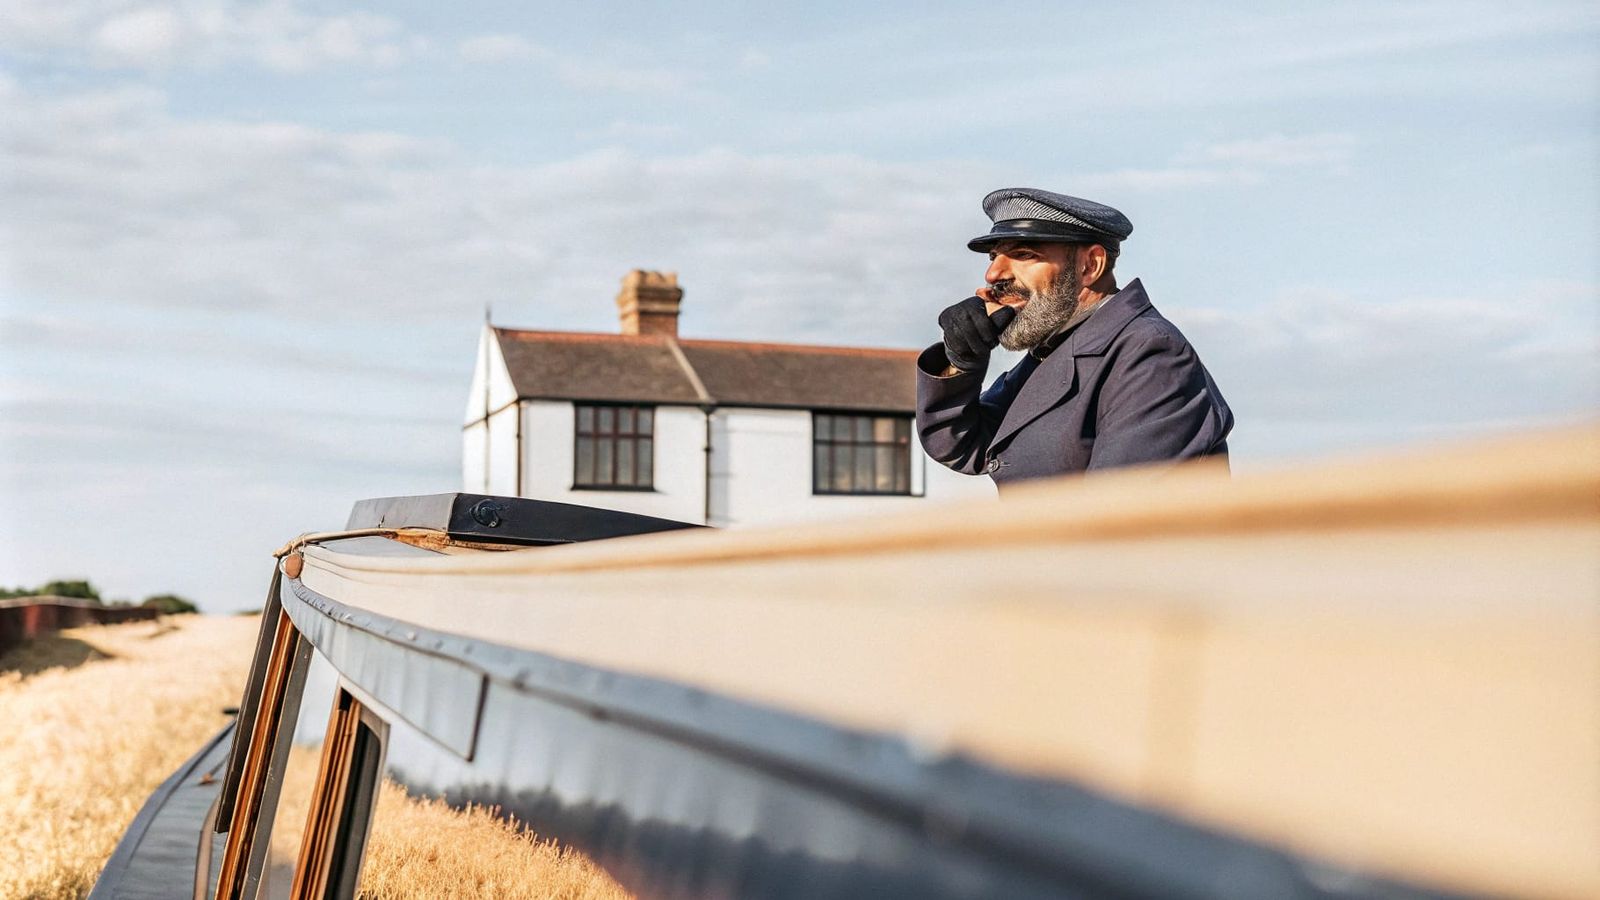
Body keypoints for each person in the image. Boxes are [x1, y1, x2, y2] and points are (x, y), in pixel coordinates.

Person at [916, 187, 1233, 487]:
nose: (993, 274)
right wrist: (960, 359)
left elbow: (1121, 512)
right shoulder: (1060, 347)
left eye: (1024, 254)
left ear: (1090, 265)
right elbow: (964, 444)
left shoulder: (1152, 353)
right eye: (993, 257)